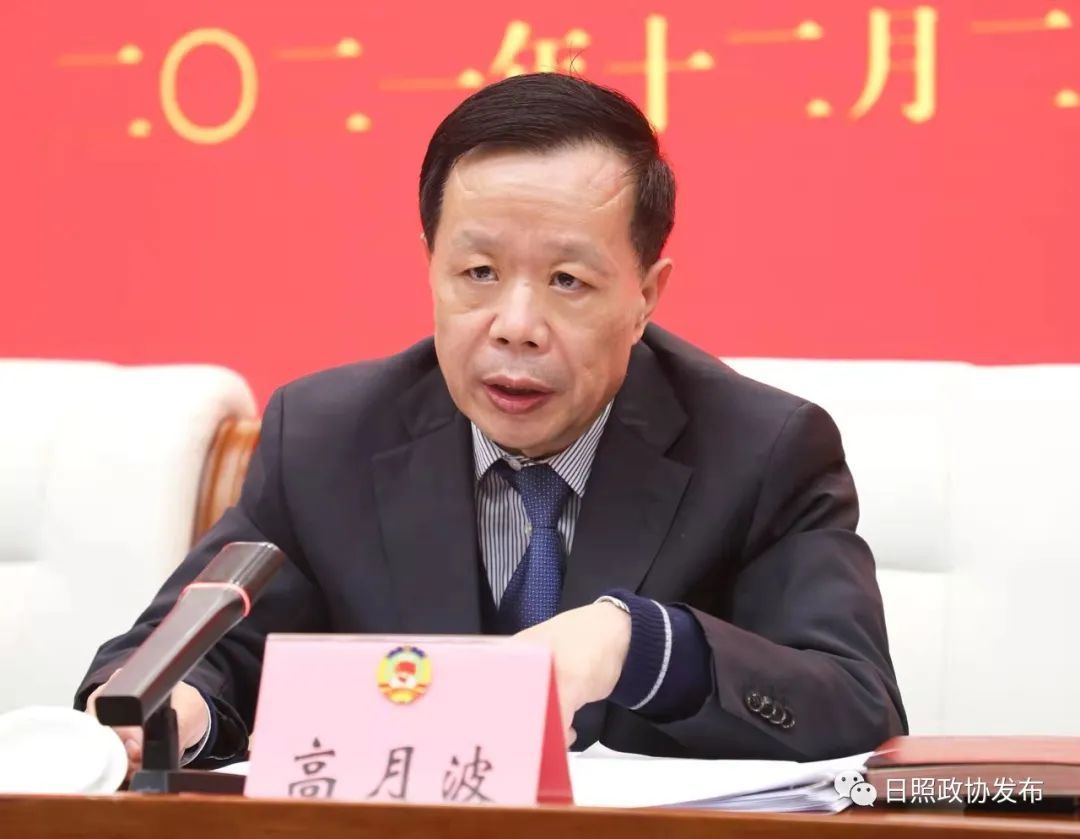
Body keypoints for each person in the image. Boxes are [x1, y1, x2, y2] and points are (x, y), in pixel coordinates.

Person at [78, 72, 906, 775]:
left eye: (568, 281)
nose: (516, 325)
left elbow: (857, 708)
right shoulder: (327, 438)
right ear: (430, 266)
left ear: (646, 296)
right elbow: (187, 658)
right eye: (477, 272)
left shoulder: (762, 451)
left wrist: (641, 645)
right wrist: (182, 711)